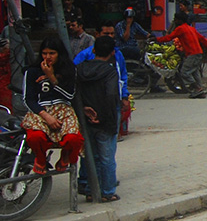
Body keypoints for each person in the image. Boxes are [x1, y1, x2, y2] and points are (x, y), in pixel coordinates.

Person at [22, 35, 83, 175]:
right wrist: (45, 115)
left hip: (63, 108)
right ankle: (41, 159)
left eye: (52, 53)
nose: (48, 57)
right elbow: (28, 99)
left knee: (74, 139)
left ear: (59, 54)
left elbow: (69, 95)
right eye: (44, 53)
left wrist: (51, 77)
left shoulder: (69, 70)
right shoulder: (31, 71)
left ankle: (66, 155)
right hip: (40, 110)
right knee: (35, 137)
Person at [76, 36, 122, 202]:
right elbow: (111, 95)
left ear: (93, 50)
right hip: (105, 118)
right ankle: (107, 191)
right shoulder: (110, 71)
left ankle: (90, 189)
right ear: (112, 53)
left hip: (85, 117)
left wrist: (84, 110)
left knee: (91, 155)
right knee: (107, 157)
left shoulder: (80, 69)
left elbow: (75, 92)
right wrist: (103, 116)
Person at [75, 25, 130, 137]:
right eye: (106, 34)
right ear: (97, 34)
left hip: (113, 104)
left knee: (108, 144)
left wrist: (124, 96)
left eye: (112, 34)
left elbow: (123, 76)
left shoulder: (117, 54)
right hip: (90, 103)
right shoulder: (85, 55)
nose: (110, 36)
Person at [158, 11, 207, 98]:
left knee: (184, 72)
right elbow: (202, 39)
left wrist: (157, 39)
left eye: (175, 19)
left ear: (179, 20)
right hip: (198, 52)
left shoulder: (180, 29)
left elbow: (169, 37)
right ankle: (200, 91)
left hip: (192, 53)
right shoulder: (191, 28)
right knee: (194, 72)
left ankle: (197, 89)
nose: (175, 21)